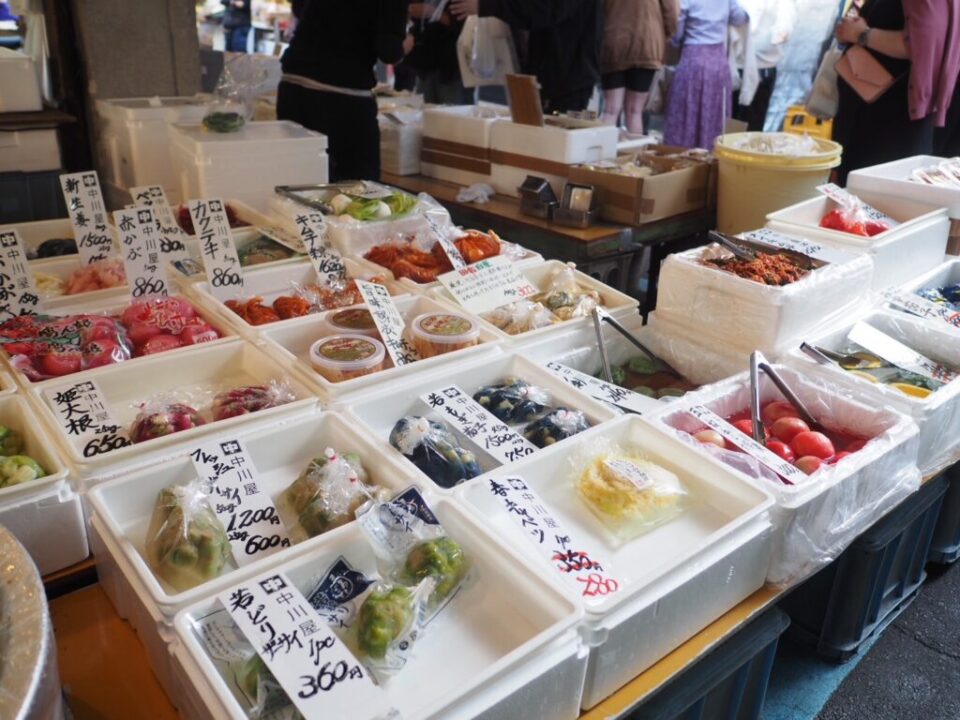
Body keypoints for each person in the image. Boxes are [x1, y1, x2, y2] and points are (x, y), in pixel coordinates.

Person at [278, 0, 412, 181]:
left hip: (293, 85)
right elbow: (389, 50)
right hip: (343, 95)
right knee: (359, 191)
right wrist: (407, 43)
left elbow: (299, 7)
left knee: (296, 182)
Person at [834, 0, 960, 183]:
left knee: (869, 195)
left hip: (889, 116)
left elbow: (923, 42)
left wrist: (862, 34)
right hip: (876, 108)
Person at [450, 0, 602, 114]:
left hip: (568, 78)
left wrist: (486, 5)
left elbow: (543, 11)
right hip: (548, 72)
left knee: (554, 145)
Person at [664, 0, 750, 149]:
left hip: (692, 60)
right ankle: (711, 156)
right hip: (718, 63)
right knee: (714, 114)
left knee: (685, 113)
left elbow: (676, 36)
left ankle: (681, 158)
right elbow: (741, 18)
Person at [599, 0, 679, 134]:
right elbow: (672, 12)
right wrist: (667, 34)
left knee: (610, 110)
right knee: (634, 111)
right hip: (646, 43)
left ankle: (603, 153)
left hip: (614, 41)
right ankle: (635, 154)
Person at [731, 0, 796, 132]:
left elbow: (786, 17)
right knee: (726, 121)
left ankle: (742, 150)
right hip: (731, 64)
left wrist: (781, 32)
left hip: (761, 66)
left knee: (750, 127)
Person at [406, 2, 473, 104]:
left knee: (453, 115)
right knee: (424, 114)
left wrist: (435, 13)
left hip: (454, 67)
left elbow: (470, 23)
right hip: (424, 63)